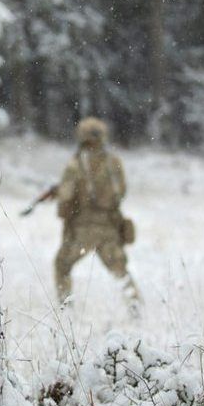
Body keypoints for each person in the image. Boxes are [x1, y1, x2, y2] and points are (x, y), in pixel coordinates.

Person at [53, 117, 140, 302]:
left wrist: (64, 206)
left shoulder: (76, 164)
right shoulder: (113, 162)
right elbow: (121, 191)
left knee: (62, 265)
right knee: (120, 270)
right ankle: (135, 306)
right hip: (110, 227)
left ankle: (65, 309)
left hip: (82, 229)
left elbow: (66, 198)